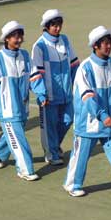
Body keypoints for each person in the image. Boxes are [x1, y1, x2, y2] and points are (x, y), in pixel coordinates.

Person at [63, 26, 111, 205]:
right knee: (80, 157)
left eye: (109, 42)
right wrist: (102, 115)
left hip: (110, 123)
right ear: (95, 46)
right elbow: (87, 97)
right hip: (89, 124)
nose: (108, 46)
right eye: (104, 43)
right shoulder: (85, 68)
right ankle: (72, 184)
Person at [0, 21, 47, 181]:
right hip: (7, 111)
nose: (19, 39)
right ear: (7, 39)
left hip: (23, 108)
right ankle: (25, 169)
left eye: (20, 36)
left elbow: (34, 77)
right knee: (19, 141)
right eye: (15, 36)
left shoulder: (25, 56)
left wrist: (41, 94)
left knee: (13, 136)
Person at [31, 9, 79, 166]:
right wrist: (41, 93)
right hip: (49, 96)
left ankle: (54, 145)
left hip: (66, 93)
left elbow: (74, 65)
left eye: (59, 25)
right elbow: (35, 73)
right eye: (54, 25)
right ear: (46, 26)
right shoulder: (39, 46)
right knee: (50, 126)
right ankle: (51, 153)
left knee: (68, 119)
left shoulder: (65, 40)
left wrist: (78, 86)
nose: (57, 28)